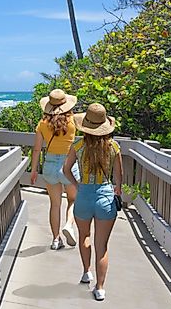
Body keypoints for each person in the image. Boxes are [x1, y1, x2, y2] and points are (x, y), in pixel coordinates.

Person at [64, 103, 123, 302]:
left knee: (84, 236)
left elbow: (66, 169)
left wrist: (78, 185)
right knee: (102, 245)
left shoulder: (78, 146)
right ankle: (100, 288)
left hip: (84, 196)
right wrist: (117, 190)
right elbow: (119, 177)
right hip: (105, 197)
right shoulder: (114, 146)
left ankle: (86, 272)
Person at [29, 89, 80, 250]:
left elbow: (36, 149)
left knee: (55, 204)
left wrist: (34, 169)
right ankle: (69, 225)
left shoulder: (42, 124)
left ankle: (56, 239)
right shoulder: (73, 121)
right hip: (68, 165)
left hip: (50, 164)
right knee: (73, 200)